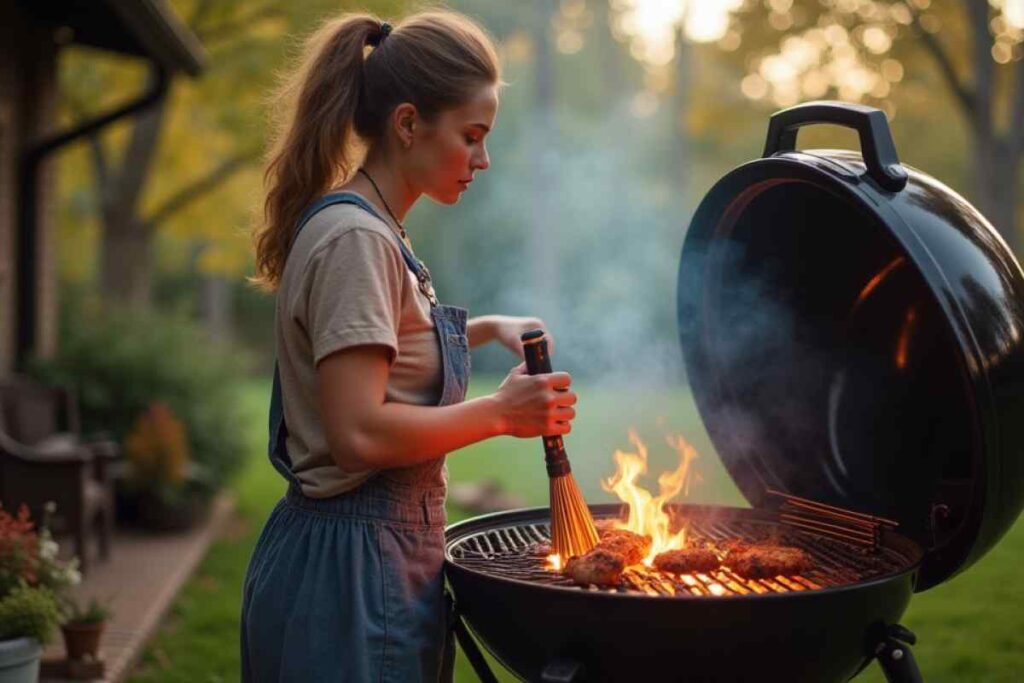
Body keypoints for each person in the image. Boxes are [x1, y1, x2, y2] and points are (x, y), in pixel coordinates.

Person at [241, 9, 578, 682]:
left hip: (373, 562)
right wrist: (503, 414)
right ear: (407, 123)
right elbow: (359, 434)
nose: (483, 159)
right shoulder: (358, 241)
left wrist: (485, 328)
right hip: (351, 575)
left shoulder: (374, 230)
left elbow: (389, 350)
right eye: (472, 136)